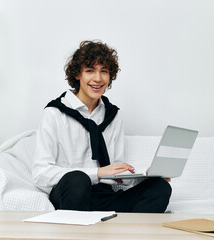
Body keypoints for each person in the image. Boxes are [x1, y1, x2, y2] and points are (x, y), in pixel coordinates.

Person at [32, 40, 171, 213]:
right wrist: (97, 173)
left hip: (105, 197)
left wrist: (145, 177)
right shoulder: (54, 113)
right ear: (77, 75)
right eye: (90, 71)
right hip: (70, 194)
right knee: (78, 180)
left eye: (103, 71)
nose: (98, 79)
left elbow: (115, 172)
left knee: (159, 187)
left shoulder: (113, 115)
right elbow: (40, 174)